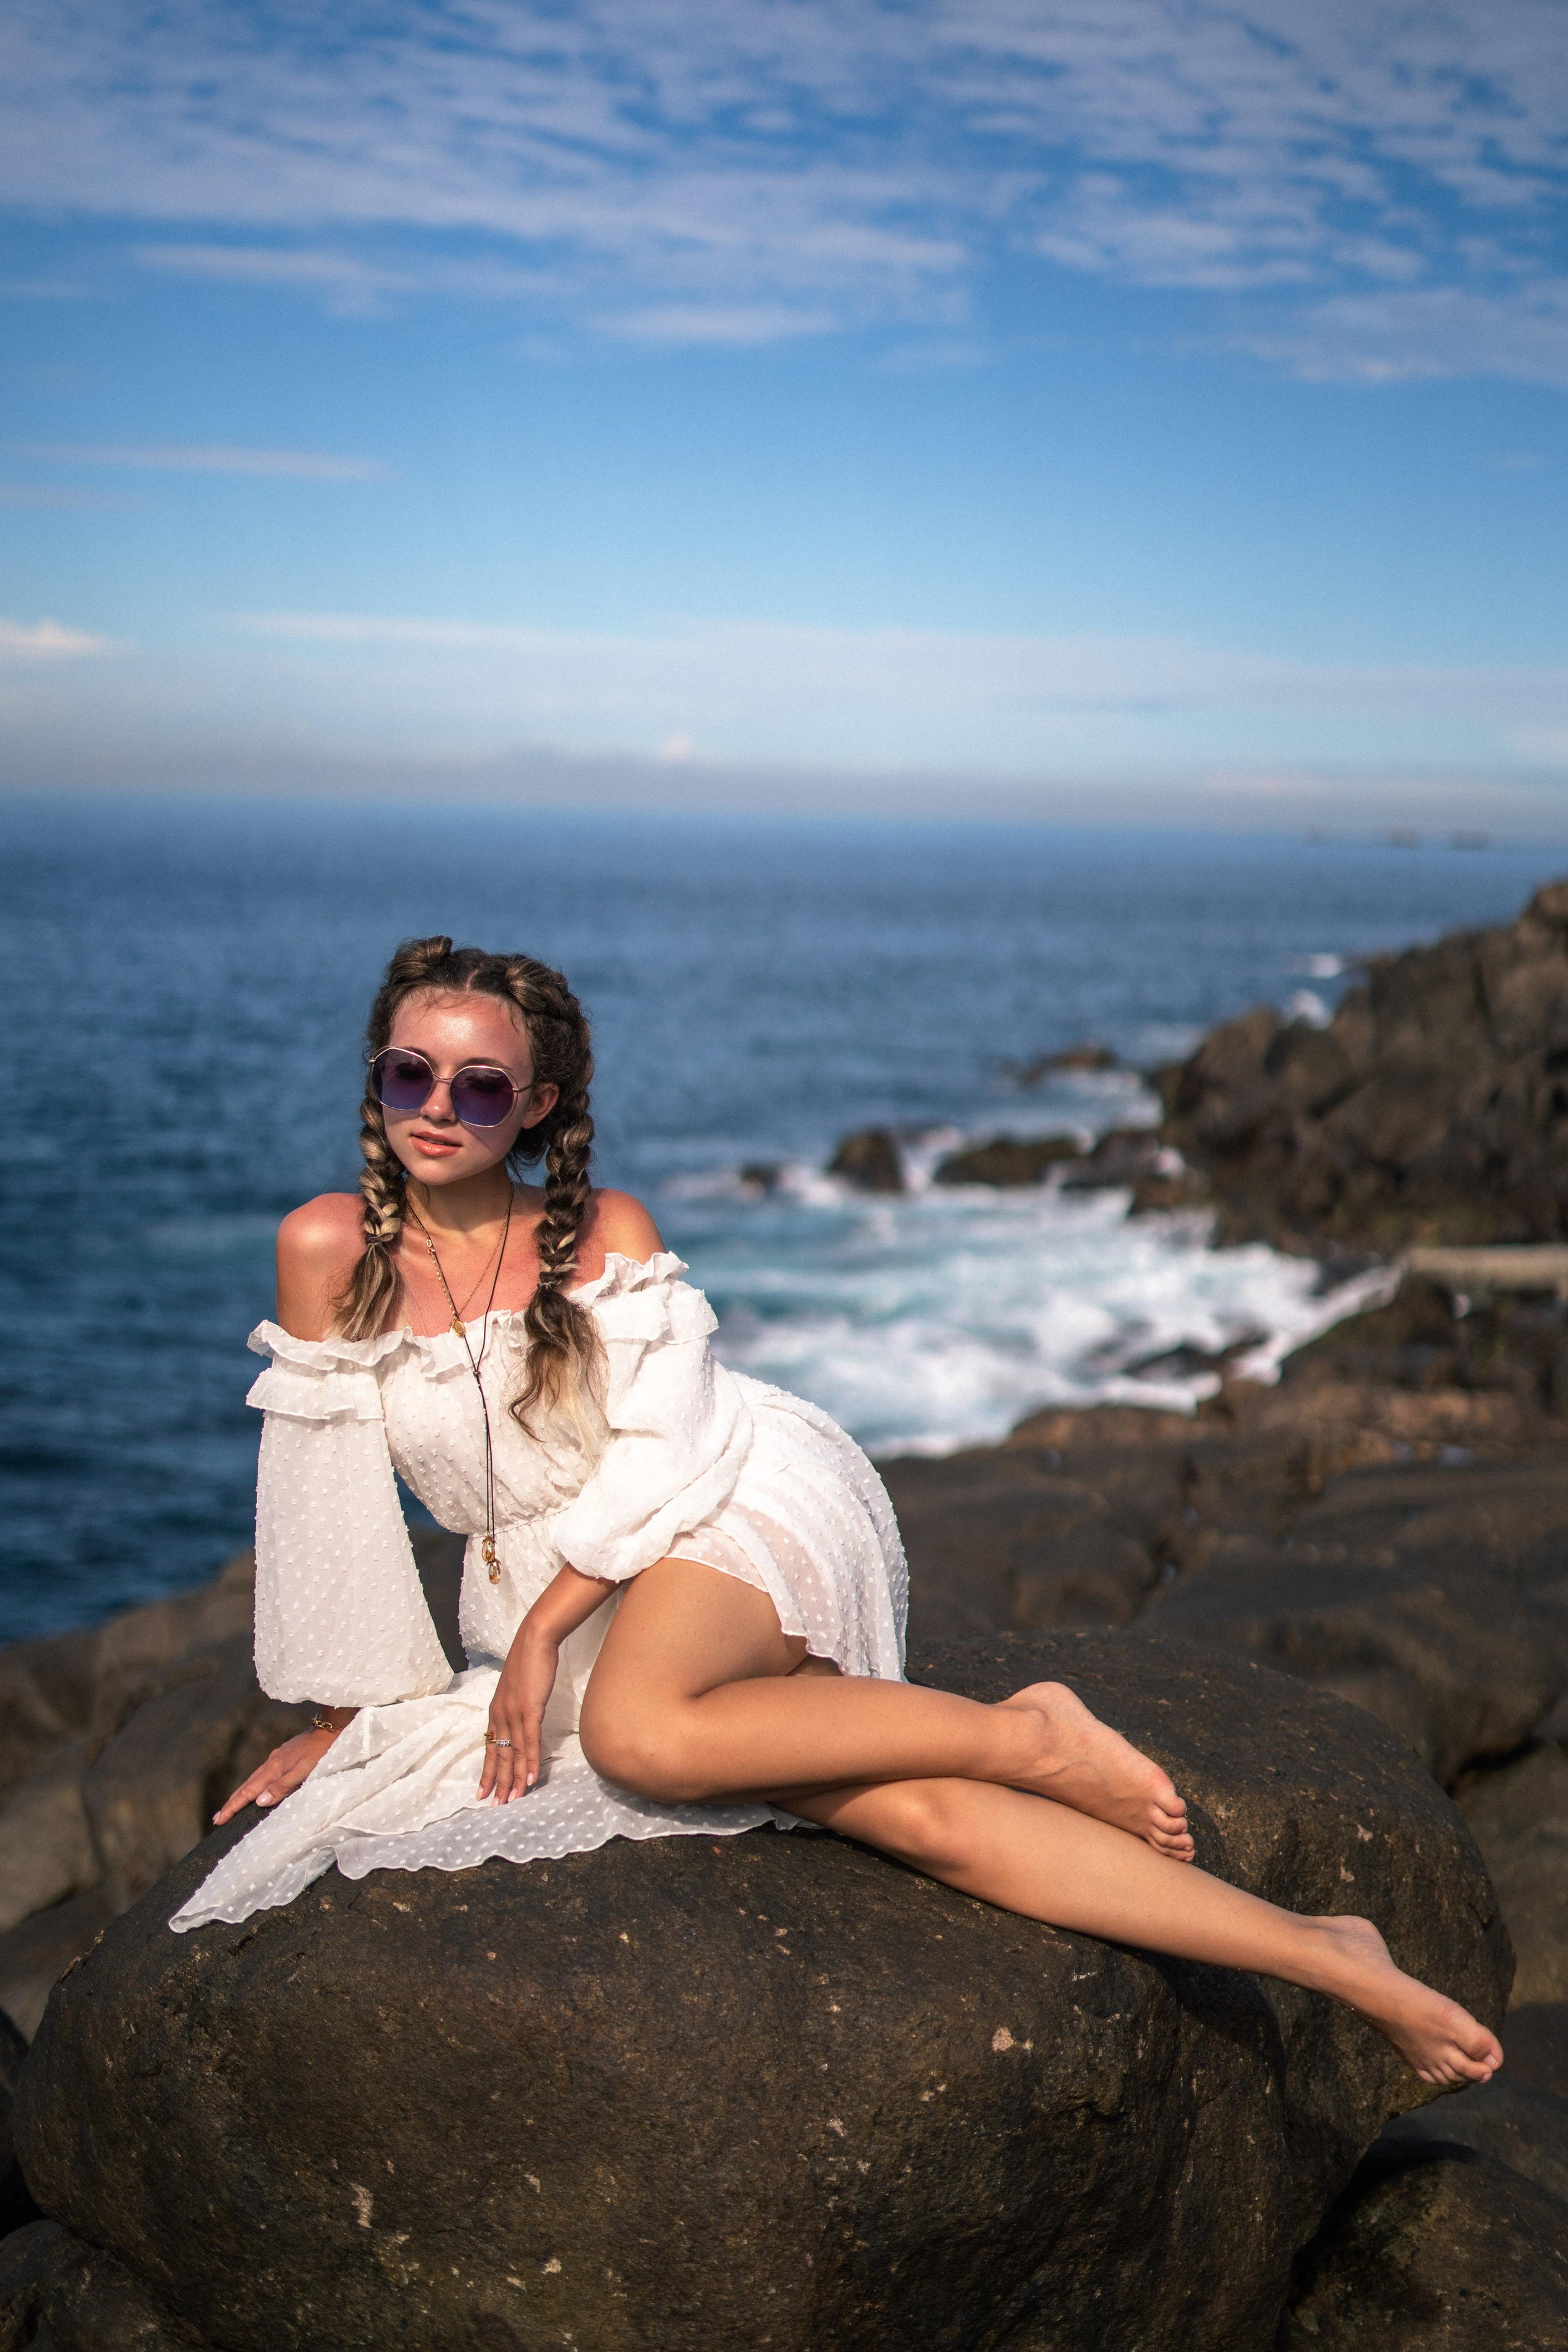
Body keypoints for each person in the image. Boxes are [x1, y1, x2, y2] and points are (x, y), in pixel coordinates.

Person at [174, 937, 1501, 2091]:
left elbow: (668, 1446)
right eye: (409, 1074)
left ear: (537, 1105)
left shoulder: (600, 1229)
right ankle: (1320, 1951)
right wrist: (346, 1721)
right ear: (375, 1076)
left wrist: (539, 1638)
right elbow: (323, 1498)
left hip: (716, 1502)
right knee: (901, 1815)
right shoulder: (323, 1248)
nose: (437, 1109)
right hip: (552, 1596)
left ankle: (1021, 1730)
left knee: (641, 1733)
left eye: (479, 1086)